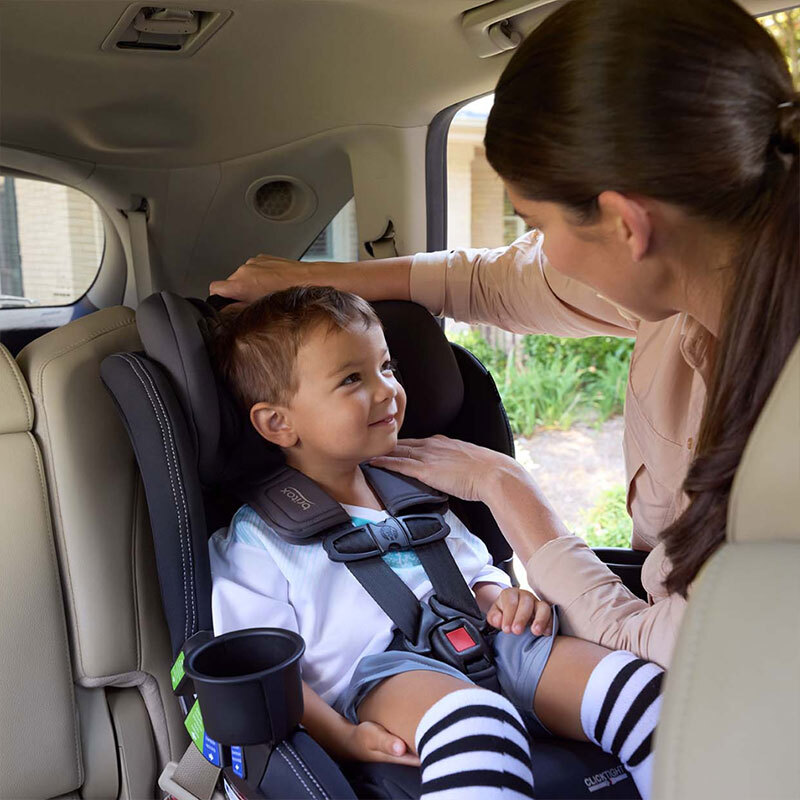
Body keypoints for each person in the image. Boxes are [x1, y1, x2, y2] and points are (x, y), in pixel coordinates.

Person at [210, 0, 800, 670]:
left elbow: (680, 655)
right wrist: (311, 278)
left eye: (537, 226)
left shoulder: (782, 438)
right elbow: (489, 283)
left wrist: (504, 487)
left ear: (627, 226)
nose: (540, 252)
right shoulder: (693, 276)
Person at [208, 286, 664, 800]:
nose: (387, 391)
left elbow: (476, 575)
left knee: (643, 692)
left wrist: (502, 600)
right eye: (352, 379)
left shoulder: (417, 494)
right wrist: (343, 738)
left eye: (387, 367)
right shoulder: (256, 539)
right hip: (381, 677)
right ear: (278, 422)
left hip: (494, 644)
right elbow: (269, 673)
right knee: (479, 728)